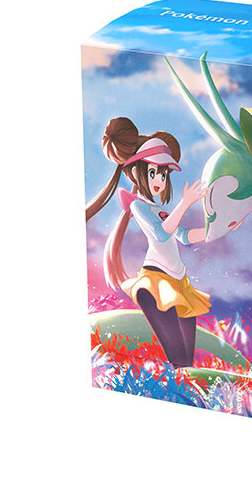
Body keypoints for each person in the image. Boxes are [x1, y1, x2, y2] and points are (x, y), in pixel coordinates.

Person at [85, 117, 209, 368]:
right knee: (179, 360)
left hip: (179, 283)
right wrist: (185, 203)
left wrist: (215, 231)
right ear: (136, 172)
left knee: (188, 361)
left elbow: (183, 235)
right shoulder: (138, 206)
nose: (159, 181)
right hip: (155, 285)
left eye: (163, 175)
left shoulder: (158, 209)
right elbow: (162, 234)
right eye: (153, 173)